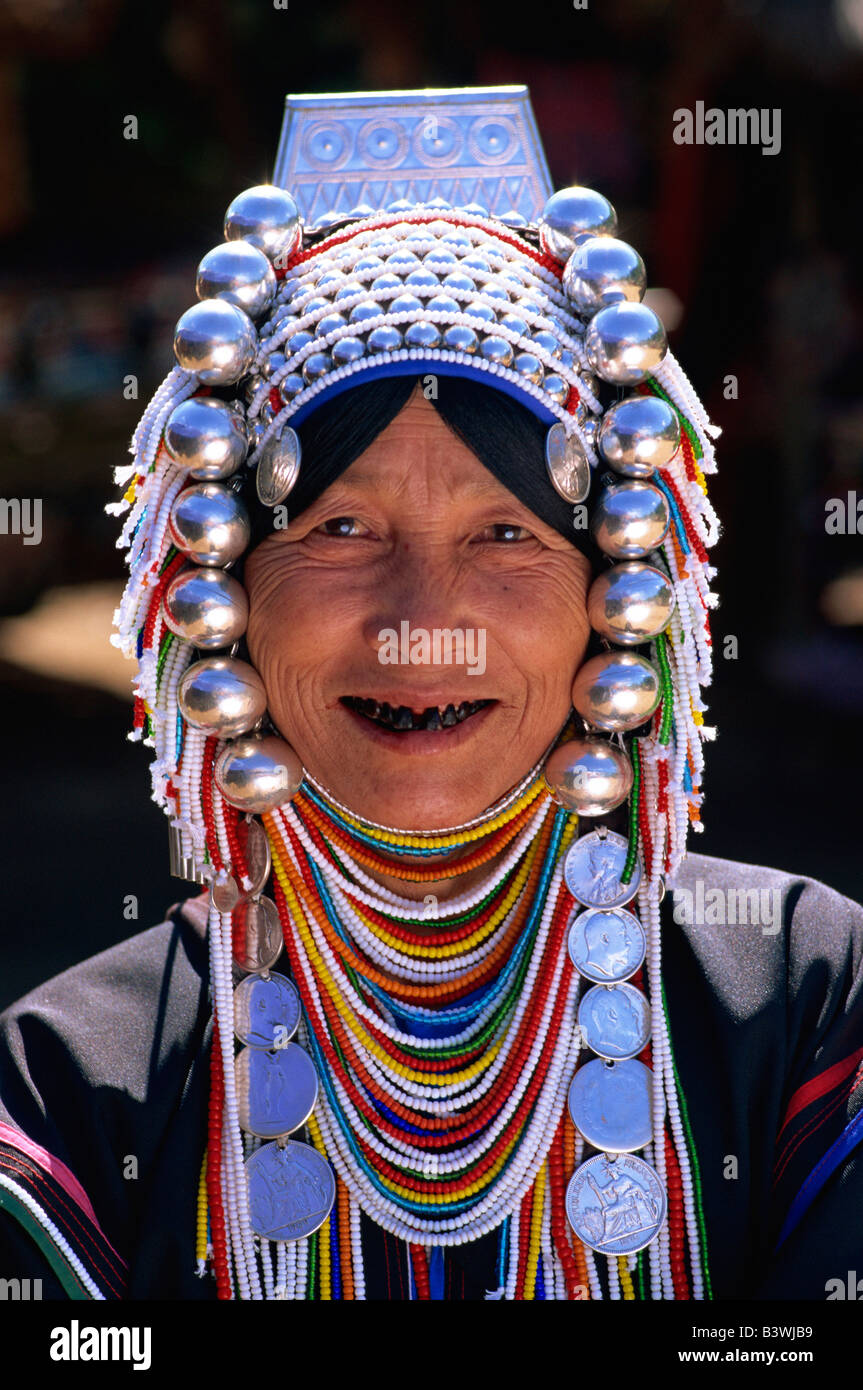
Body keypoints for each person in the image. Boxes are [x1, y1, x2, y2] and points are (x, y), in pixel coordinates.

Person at [0, 86, 861, 1303]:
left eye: (506, 535)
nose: (423, 615)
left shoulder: (804, 1008)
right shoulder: (69, 1094)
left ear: (617, 587)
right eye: (340, 525)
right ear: (220, 581)